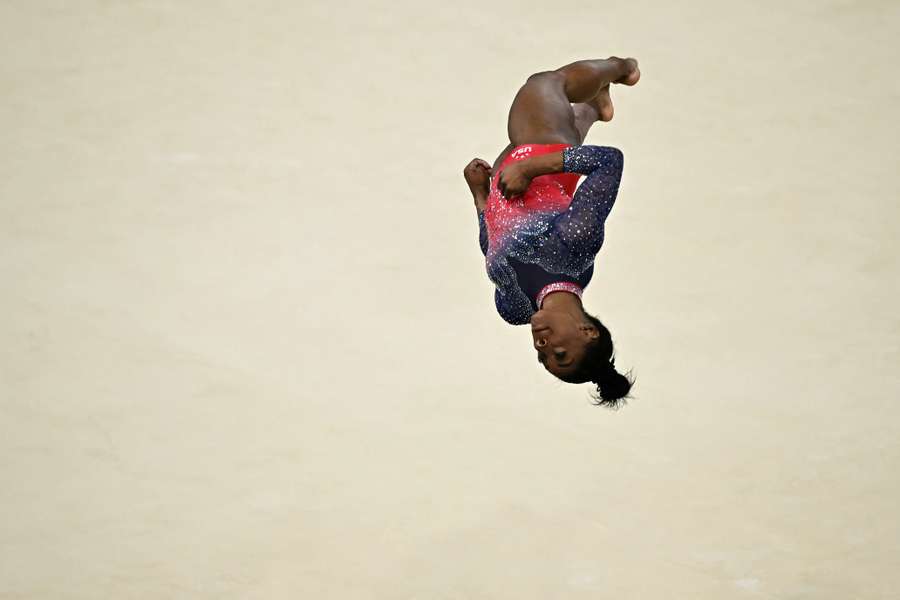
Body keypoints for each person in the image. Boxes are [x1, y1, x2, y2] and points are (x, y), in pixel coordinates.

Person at [463, 57, 639, 407]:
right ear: (587, 332)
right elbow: (609, 162)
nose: (542, 347)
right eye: (560, 353)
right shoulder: (575, 248)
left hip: (503, 178)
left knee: (567, 121)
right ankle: (621, 69)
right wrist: (531, 167)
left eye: (543, 359)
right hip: (542, 150)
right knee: (544, 83)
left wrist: (480, 196)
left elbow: (494, 246)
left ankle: (594, 105)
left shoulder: (513, 308)